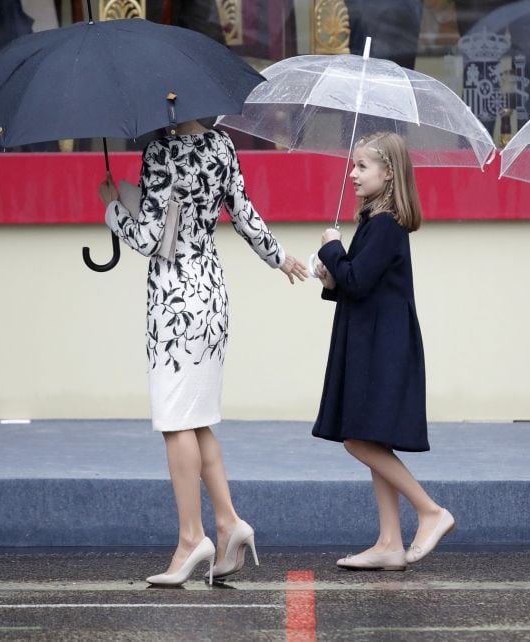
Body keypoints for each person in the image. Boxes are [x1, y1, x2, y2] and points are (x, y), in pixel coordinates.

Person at [98, 119, 308, 585]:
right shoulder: (222, 144)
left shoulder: (159, 153)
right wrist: (279, 257)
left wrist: (114, 208)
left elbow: (152, 240)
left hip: (174, 300)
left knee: (176, 422)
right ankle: (229, 522)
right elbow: (242, 213)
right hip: (211, 291)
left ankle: (192, 539)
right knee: (196, 418)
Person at [312, 132, 454, 571]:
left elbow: (358, 280)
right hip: (372, 340)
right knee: (370, 436)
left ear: (388, 172)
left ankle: (430, 511)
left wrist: (332, 247)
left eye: (361, 166)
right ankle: (390, 542)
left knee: (357, 438)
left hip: (382, 347)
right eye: (353, 165)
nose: (351, 174)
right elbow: (357, 283)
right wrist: (332, 274)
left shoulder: (388, 226)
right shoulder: (376, 224)